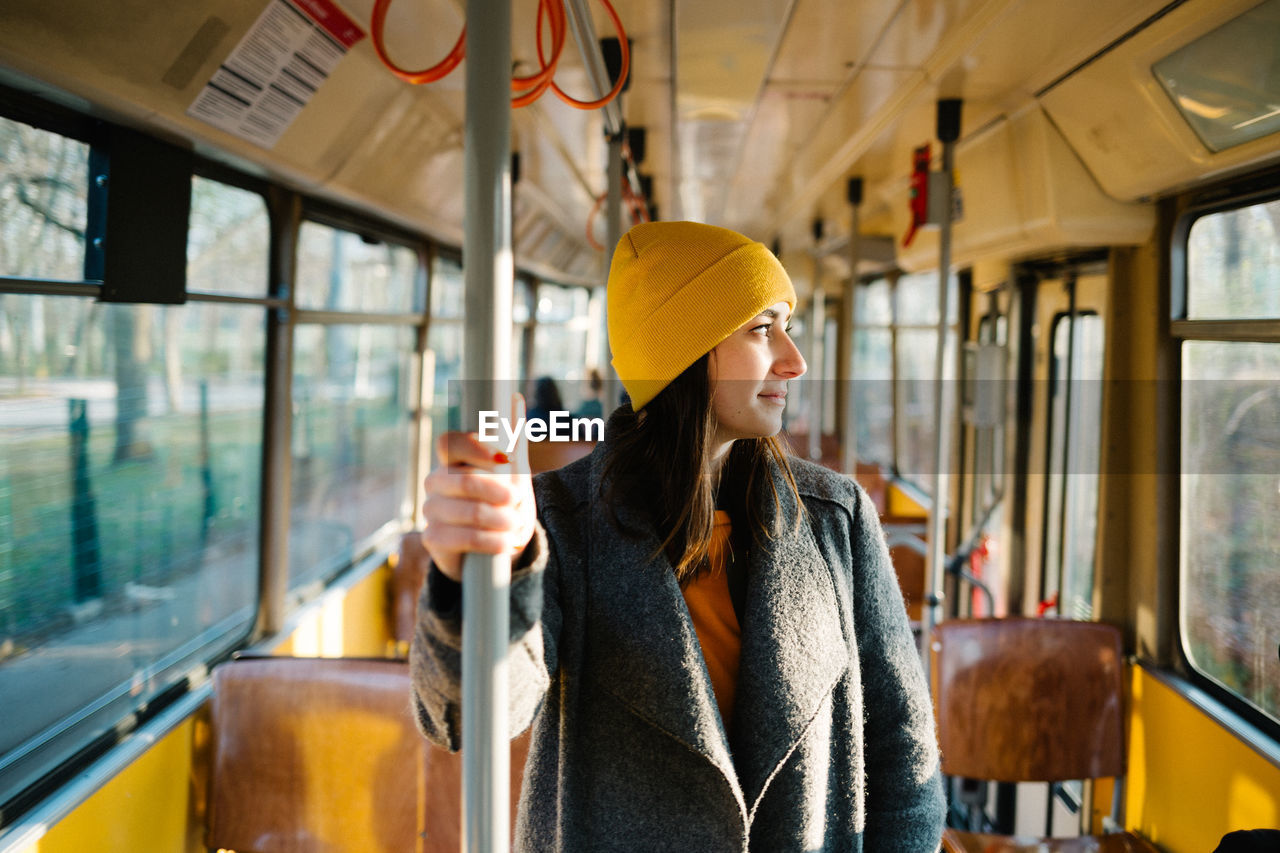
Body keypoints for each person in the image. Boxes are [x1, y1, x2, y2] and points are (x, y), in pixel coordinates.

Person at [412, 221, 945, 852]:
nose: (792, 361)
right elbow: (473, 712)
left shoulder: (837, 518)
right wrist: (469, 572)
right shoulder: (554, 523)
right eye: (760, 329)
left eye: (787, 328)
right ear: (682, 355)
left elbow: (902, 753)